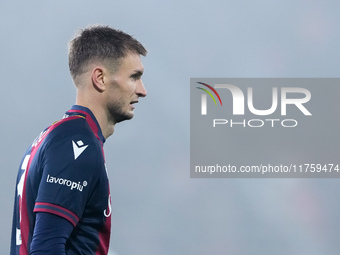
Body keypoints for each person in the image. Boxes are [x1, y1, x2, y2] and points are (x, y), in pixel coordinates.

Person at [10, 25, 148, 255]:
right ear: (100, 78)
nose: (143, 90)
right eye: (134, 77)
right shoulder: (76, 145)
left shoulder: (59, 137)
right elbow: (46, 249)